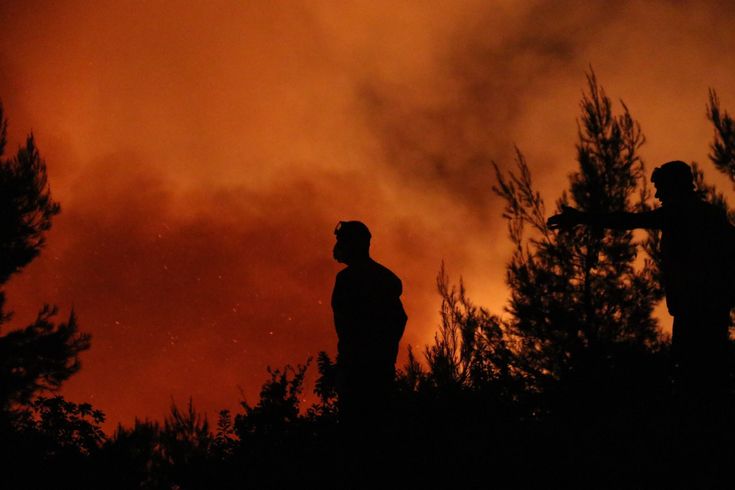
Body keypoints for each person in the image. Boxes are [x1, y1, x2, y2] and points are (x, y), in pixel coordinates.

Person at [547, 160, 733, 405]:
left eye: (661, 188)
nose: (657, 195)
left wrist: (583, 217)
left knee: (694, 381)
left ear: (675, 187)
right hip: (710, 310)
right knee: (709, 377)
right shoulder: (711, 215)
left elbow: (627, 220)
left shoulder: (681, 212)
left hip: (696, 311)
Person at [330, 220, 407, 483]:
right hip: (381, 370)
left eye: (343, 241)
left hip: (356, 373)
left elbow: (346, 326)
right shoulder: (385, 280)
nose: (338, 247)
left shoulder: (348, 280)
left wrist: (353, 357)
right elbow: (399, 321)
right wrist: (385, 354)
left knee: (355, 444)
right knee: (381, 438)